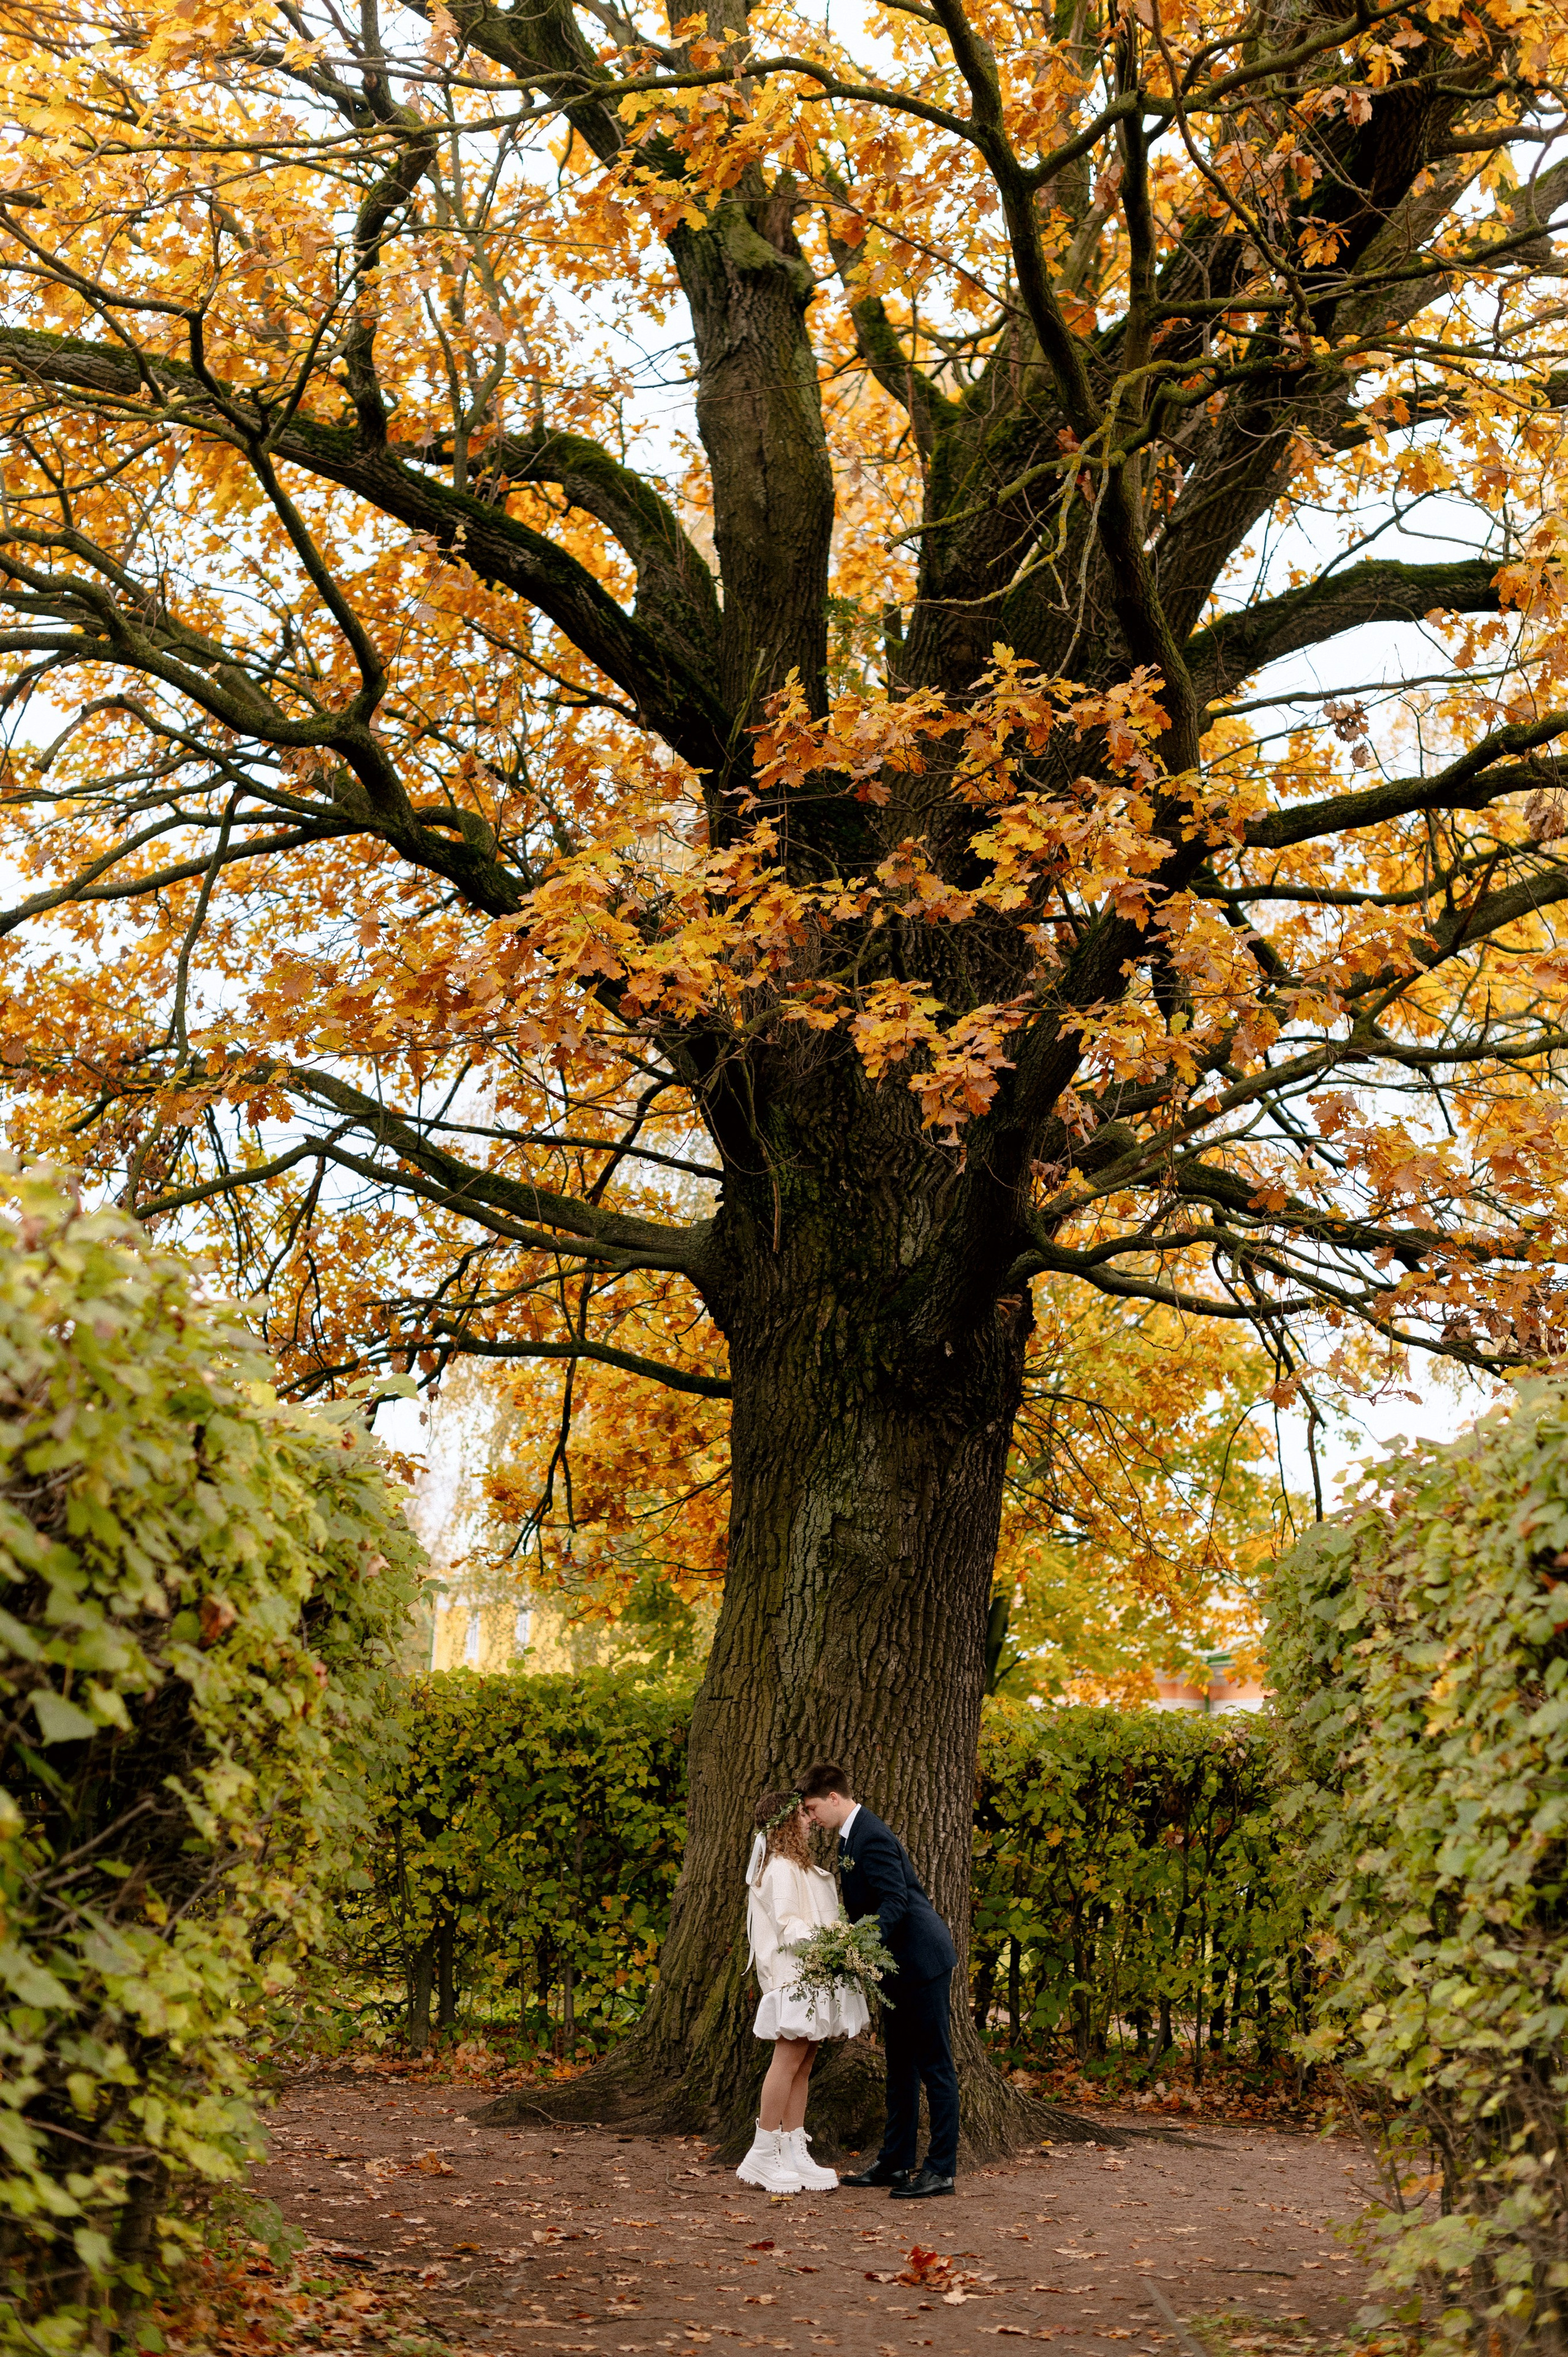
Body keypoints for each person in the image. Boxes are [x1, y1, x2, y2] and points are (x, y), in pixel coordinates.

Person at [799, 1762, 959, 2200]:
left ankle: (942, 2170)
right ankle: (895, 2162)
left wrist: (858, 1948)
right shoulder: (851, 1835)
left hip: (921, 1961)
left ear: (834, 1797)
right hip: (896, 1967)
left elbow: (896, 1902)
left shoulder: (870, 1835)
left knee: (936, 2068)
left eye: (813, 1809)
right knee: (900, 2068)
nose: (812, 1818)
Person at [737, 1788, 869, 2195]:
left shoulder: (800, 1867)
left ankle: (794, 2148)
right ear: (784, 1823)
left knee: (805, 2061)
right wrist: (833, 1940)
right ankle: (762, 2154)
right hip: (793, 1977)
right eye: (802, 1814)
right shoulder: (779, 1867)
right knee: (787, 2058)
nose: (810, 1819)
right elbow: (789, 1924)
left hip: (814, 1976)